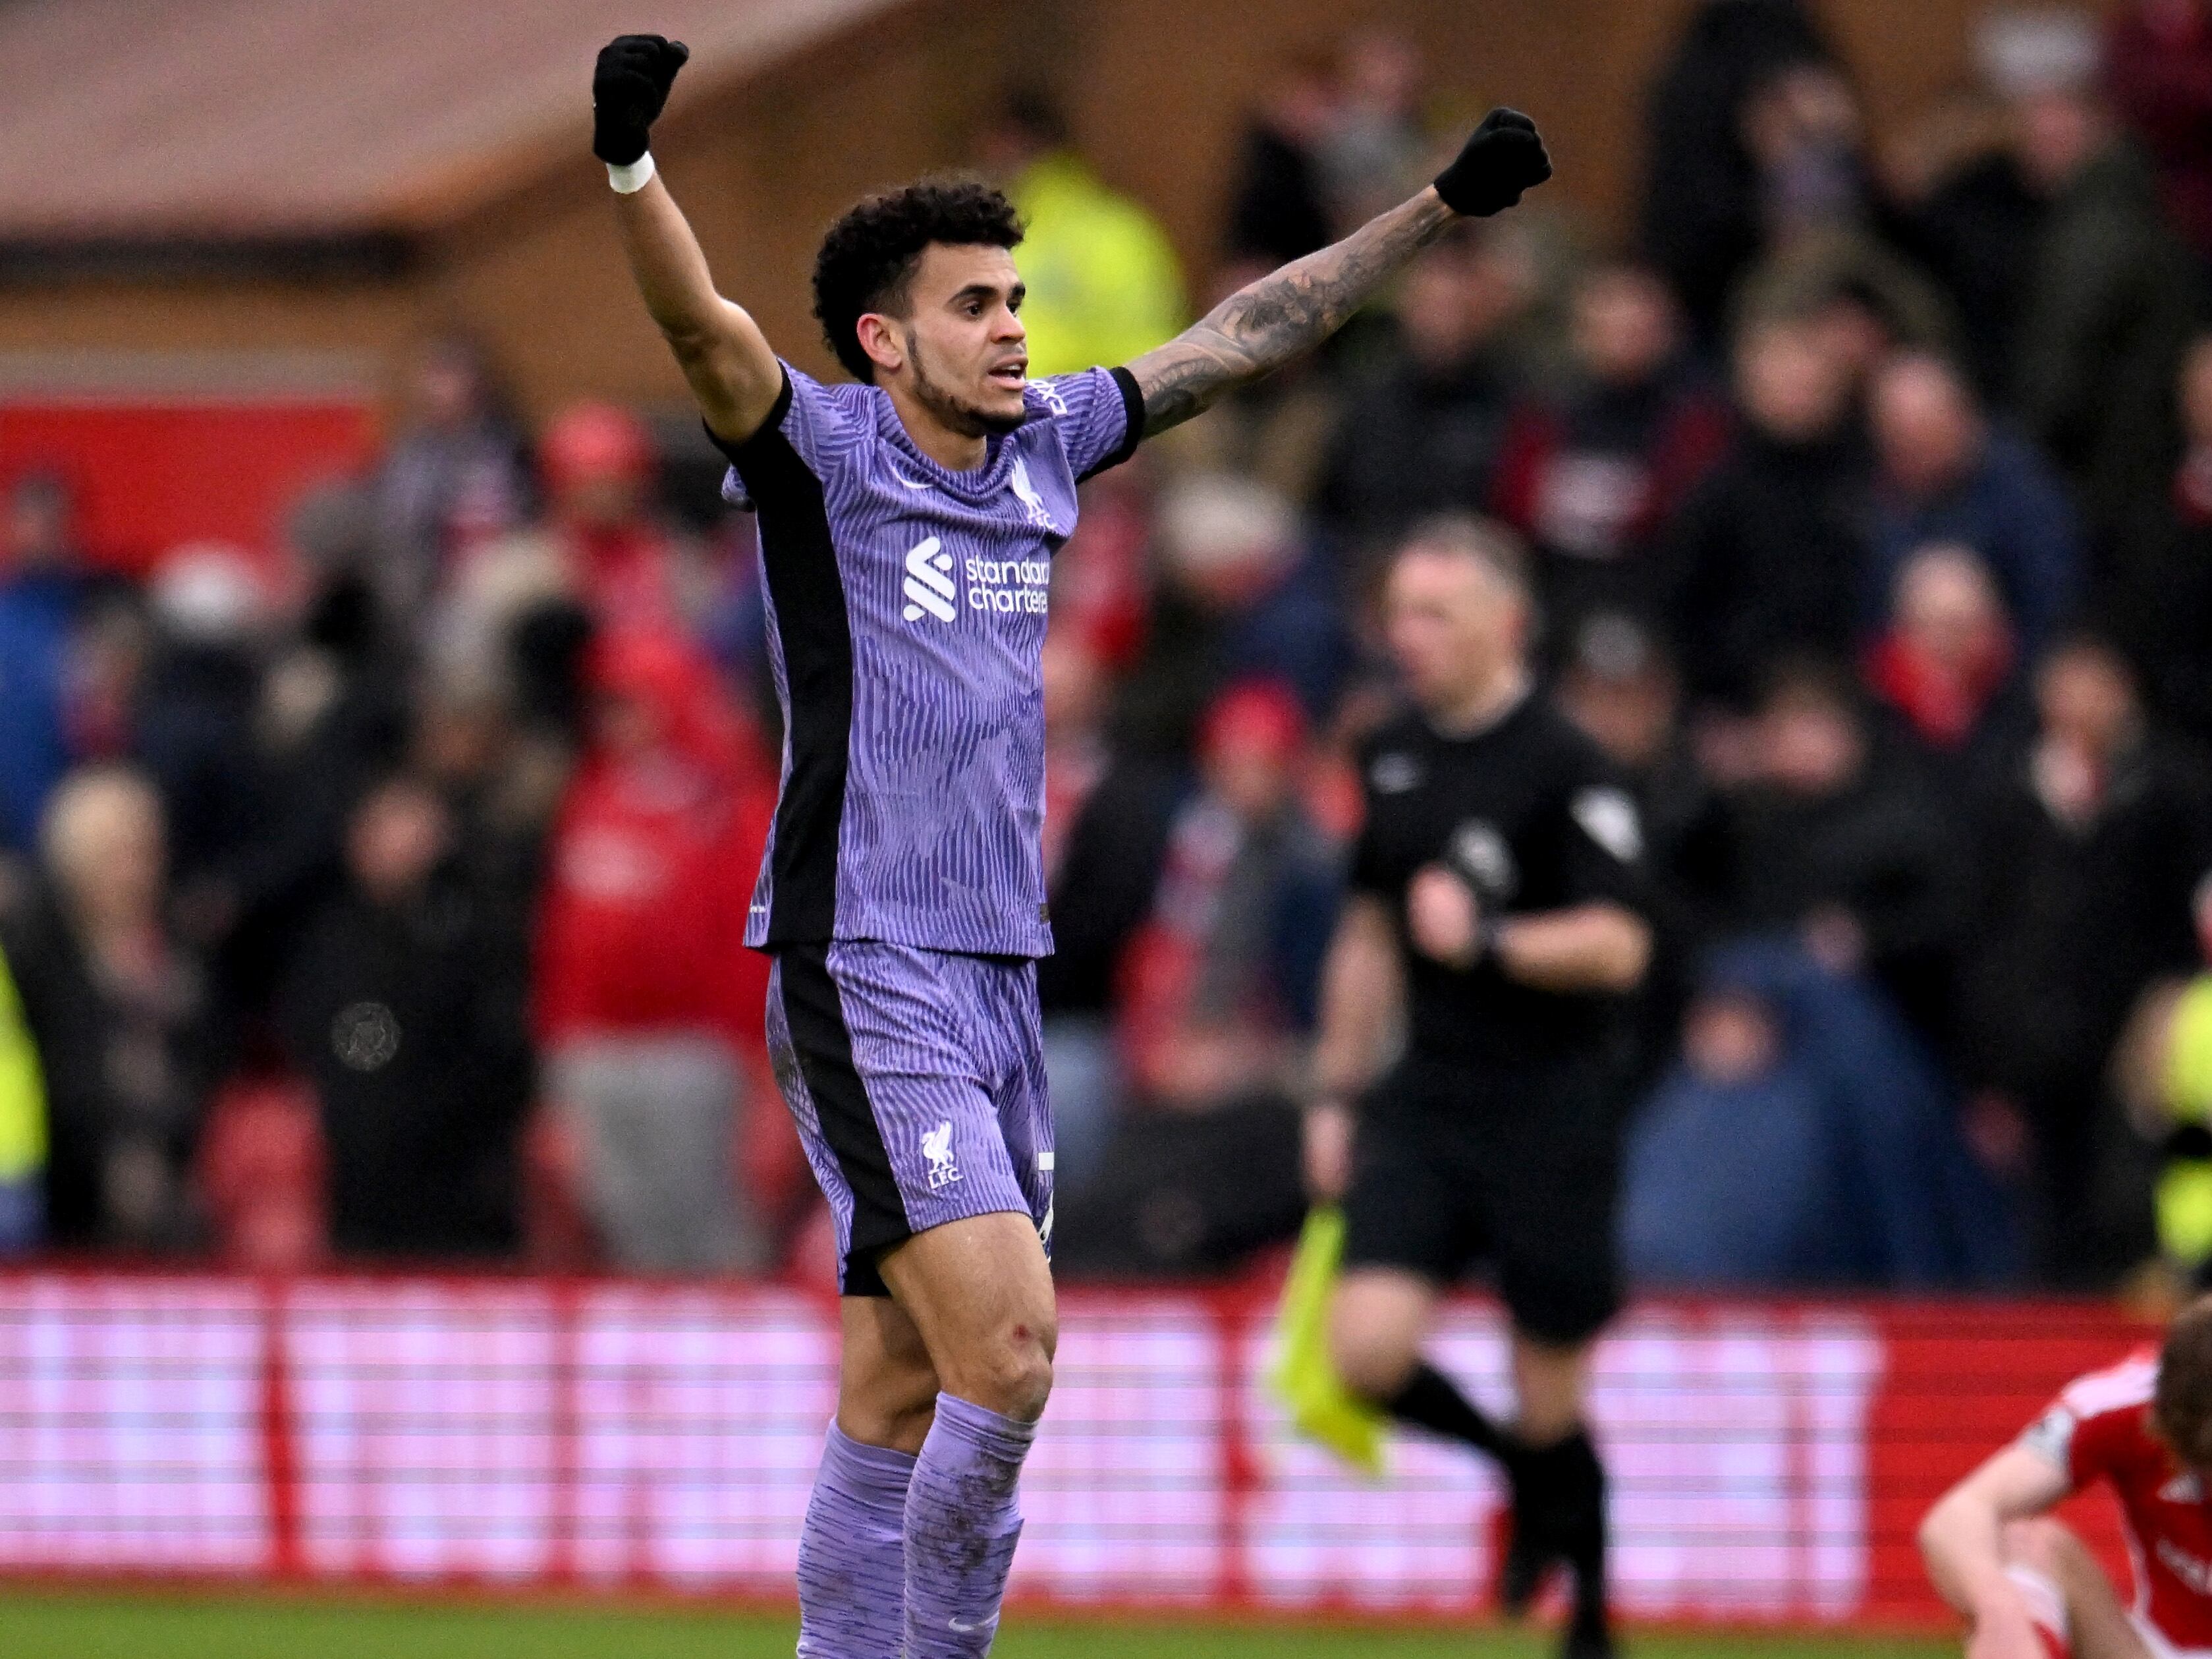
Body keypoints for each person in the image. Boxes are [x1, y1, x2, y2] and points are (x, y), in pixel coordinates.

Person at [590, 34, 1553, 1659]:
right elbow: (700, 323)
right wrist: (628, 162)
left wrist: (1431, 211)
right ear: (886, 339)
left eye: (1016, 299)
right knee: (1012, 1355)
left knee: (900, 1378)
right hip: (865, 958)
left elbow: (1249, 329)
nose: (1015, 326)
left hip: (1002, 972)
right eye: (976, 304)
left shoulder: (1047, 447)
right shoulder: (820, 455)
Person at [1304, 517, 1652, 1659]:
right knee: (1362, 1350)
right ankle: (1527, 1480)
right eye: (1397, 612)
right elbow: (1366, 931)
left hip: (1549, 1099)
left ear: (1506, 624)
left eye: (1434, 614)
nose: (1407, 637)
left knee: (1548, 1380)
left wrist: (1489, 939)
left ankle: (1589, 1610)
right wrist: (1333, 1090)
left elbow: (1618, 943)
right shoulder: (1389, 751)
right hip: (1426, 1096)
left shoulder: (1567, 761)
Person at [1920, 1295, 2212, 1659]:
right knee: (2027, 1543)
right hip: (2161, 1650)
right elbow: (1957, 1514)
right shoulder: (2125, 1400)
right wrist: (2001, 1614)